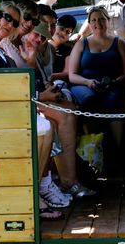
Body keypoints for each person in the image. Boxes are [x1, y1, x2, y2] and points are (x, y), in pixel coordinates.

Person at [22, 21, 96, 199]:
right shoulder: (13, 46)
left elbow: (34, 80)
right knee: (63, 116)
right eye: (36, 34)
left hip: (30, 98)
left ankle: (64, 179)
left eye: (43, 37)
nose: (39, 39)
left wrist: (46, 89)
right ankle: (65, 182)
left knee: (70, 109)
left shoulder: (34, 48)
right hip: (21, 103)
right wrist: (42, 95)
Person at [68, 6, 125, 149]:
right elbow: (72, 75)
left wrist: (114, 82)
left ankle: (117, 148)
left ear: (108, 21)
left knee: (114, 99)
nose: (98, 23)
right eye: (94, 20)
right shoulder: (81, 43)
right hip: (85, 84)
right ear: (89, 24)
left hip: (113, 84)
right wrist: (88, 82)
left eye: (102, 19)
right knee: (89, 99)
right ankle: (96, 147)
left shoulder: (119, 42)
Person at [49, 14, 77, 83]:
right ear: (54, 27)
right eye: (61, 29)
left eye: (67, 32)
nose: (63, 33)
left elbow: (67, 73)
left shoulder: (67, 50)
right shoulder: (42, 43)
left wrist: (52, 77)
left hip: (59, 83)